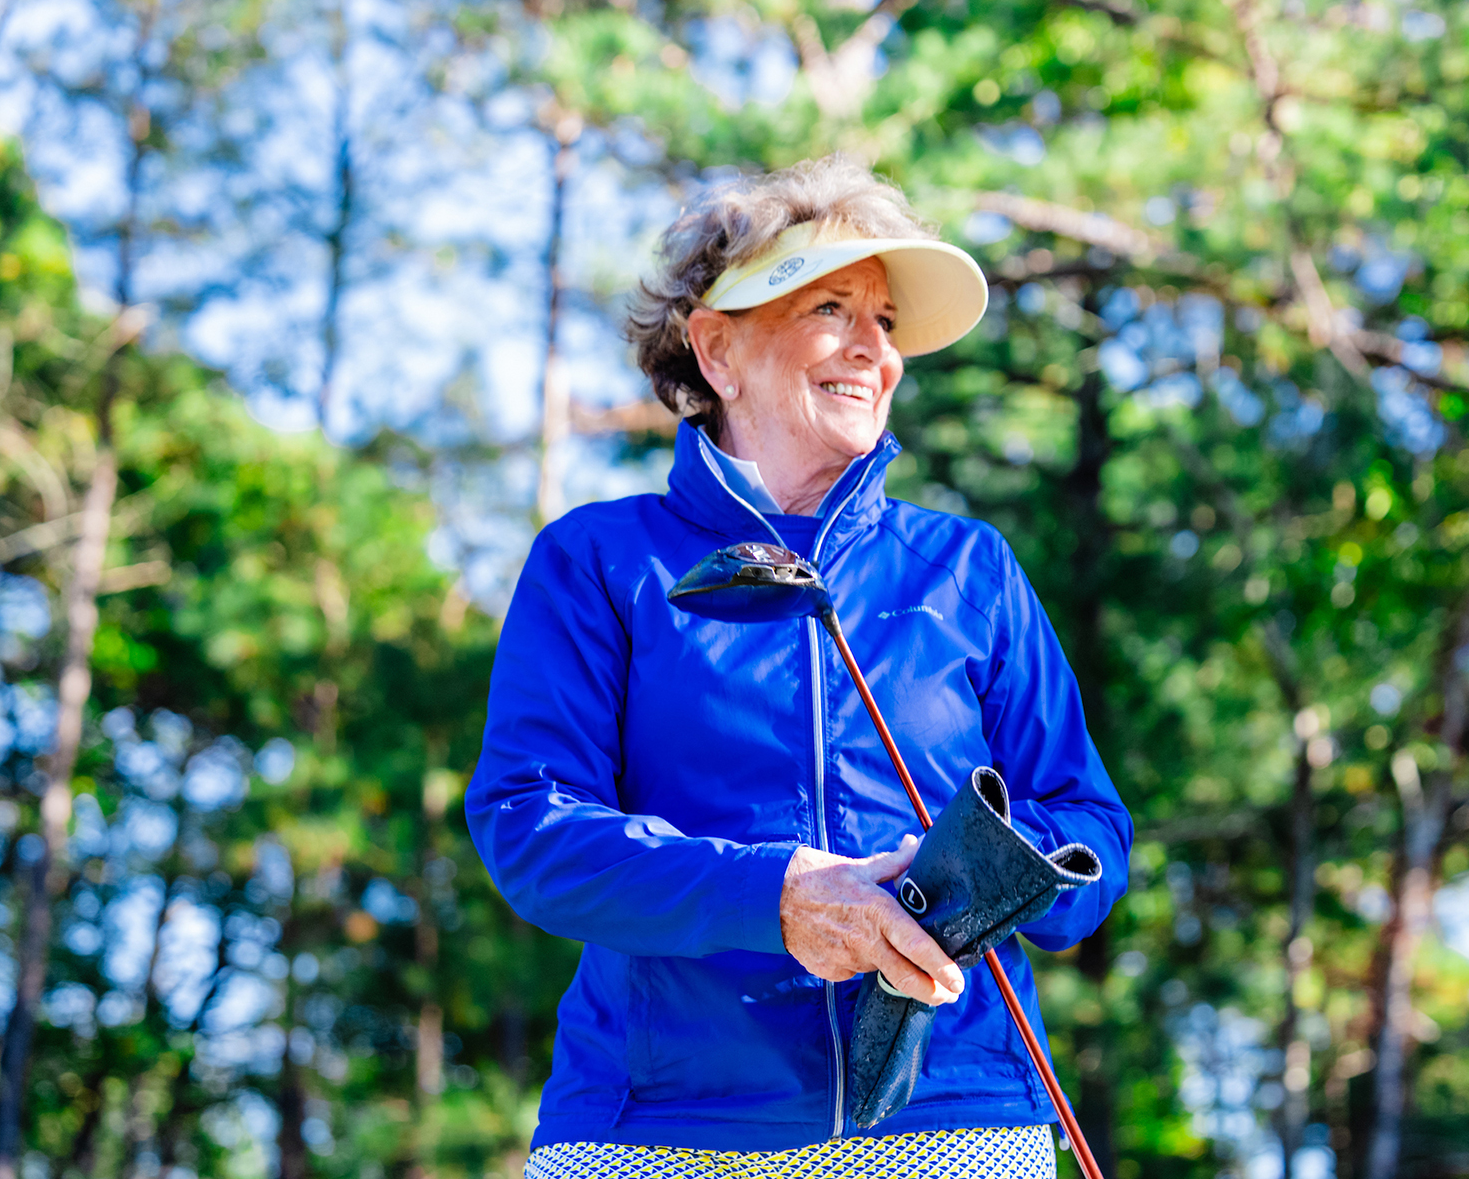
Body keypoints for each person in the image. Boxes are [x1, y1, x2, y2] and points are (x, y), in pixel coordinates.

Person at [466, 156, 1132, 1179]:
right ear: (718, 349)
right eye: (832, 308)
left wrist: (974, 880)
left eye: (887, 321)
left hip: (952, 1120)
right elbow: (532, 827)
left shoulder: (969, 568)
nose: (876, 350)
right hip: (657, 1125)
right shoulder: (599, 561)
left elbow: (1089, 832)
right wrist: (776, 896)